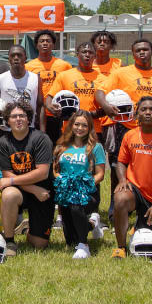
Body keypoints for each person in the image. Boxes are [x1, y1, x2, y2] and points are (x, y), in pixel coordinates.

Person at [97, 38, 152, 213]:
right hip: (126, 127)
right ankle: (115, 207)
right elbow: (100, 92)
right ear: (133, 53)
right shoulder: (121, 73)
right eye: (138, 50)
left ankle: (149, 205)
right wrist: (107, 107)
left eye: (145, 49)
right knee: (118, 166)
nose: (142, 53)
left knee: (150, 169)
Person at [111, 96, 152, 259]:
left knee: (147, 241)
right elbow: (121, 162)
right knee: (120, 199)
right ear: (137, 114)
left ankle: (139, 226)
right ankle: (120, 247)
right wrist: (122, 180)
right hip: (134, 190)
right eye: (143, 109)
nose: (148, 112)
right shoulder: (130, 136)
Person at [0, 101, 54, 254]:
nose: (18, 119)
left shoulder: (41, 139)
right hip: (25, 191)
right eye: (14, 116)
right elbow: (7, 176)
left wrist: (14, 181)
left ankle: (29, 229)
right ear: (7, 121)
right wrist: (32, 188)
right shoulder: (3, 142)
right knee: (8, 194)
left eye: (22, 115)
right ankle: (9, 242)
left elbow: (42, 172)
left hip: (43, 192)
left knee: (40, 244)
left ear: (29, 119)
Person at [53, 110, 107, 259]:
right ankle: (92, 223)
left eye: (84, 125)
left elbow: (100, 175)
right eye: (77, 124)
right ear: (71, 125)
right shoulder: (62, 145)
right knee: (71, 241)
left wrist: (82, 185)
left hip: (87, 192)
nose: (80, 128)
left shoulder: (96, 147)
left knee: (76, 205)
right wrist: (63, 182)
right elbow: (55, 170)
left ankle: (84, 246)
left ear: (89, 128)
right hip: (65, 192)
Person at [45, 42, 106, 134]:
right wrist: (51, 107)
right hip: (69, 128)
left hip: (94, 129)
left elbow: (107, 106)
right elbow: (49, 98)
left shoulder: (103, 79)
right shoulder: (64, 76)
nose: (87, 55)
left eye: (90, 52)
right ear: (77, 55)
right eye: (84, 52)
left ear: (95, 56)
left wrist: (90, 114)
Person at [26, 29, 73, 141]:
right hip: (37, 114)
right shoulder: (28, 67)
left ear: (53, 44)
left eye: (48, 41)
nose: (45, 43)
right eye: (41, 41)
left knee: (58, 146)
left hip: (58, 113)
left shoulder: (64, 66)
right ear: (37, 45)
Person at [0, 45, 42, 130]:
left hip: (29, 128)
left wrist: (42, 131)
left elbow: (40, 106)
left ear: (25, 58)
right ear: (8, 59)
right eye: (13, 55)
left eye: (19, 55)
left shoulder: (36, 78)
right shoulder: (0, 79)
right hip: (6, 129)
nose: (16, 58)